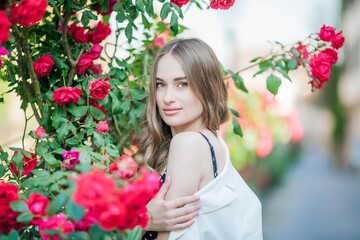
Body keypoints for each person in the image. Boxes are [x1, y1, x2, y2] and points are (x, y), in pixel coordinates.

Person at [139, 38, 263, 240]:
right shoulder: (213, 141)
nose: (167, 97)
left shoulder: (187, 144)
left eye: (182, 84)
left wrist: (144, 220)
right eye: (160, 84)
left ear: (206, 87)